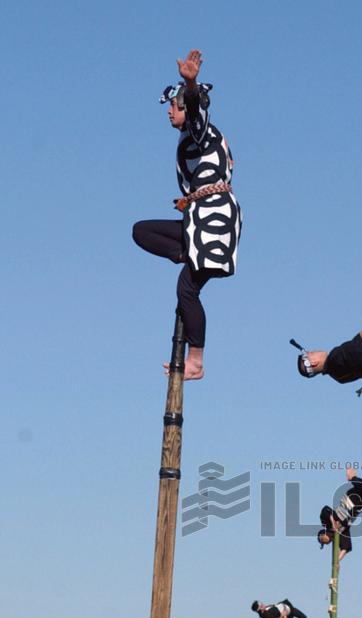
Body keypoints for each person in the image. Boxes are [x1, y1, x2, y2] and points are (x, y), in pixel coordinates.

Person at [132, 49, 241, 381]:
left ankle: (196, 360)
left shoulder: (201, 132)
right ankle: (183, 252)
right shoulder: (189, 138)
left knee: (186, 289)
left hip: (214, 220)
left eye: (172, 106)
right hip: (197, 220)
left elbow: (197, 112)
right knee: (142, 231)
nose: (169, 112)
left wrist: (190, 84)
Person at [318, 469, 362, 560]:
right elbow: (346, 548)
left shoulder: (327, 524)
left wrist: (333, 524)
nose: (325, 540)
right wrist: (337, 562)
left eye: (322, 537)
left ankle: (352, 478)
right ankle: (354, 480)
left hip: (350, 499)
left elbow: (326, 510)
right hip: (358, 506)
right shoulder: (341, 533)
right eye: (325, 541)